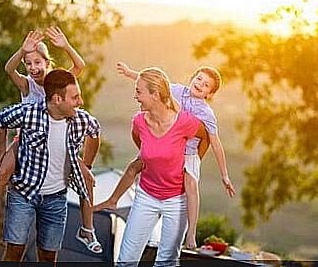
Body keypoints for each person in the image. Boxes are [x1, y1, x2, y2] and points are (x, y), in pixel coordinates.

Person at [0, 27, 102, 254]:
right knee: (2, 173)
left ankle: (87, 228)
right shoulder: (27, 84)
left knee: (87, 179)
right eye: (28, 64)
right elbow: (8, 69)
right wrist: (22, 51)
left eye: (37, 63)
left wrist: (66, 45)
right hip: (26, 139)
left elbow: (79, 68)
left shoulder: (56, 82)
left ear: (47, 62)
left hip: (59, 141)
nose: (33, 68)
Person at [95, 62, 236, 249]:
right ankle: (113, 200)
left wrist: (224, 175)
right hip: (165, 146)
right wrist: (131, 73)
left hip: (189, 153)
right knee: (134, 166)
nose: (200, 84)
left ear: (209, 94)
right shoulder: (176, 90)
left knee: (190, 183)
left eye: (206, 85)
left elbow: (215, 143)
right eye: (199, 78)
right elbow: (154, 83)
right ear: (192, 77)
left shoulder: (206, 113)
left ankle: (191, 234)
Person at [0, 68, 100, 262]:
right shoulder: (30, 113)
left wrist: (87, 164)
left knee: (48, 256)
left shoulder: (81, 120)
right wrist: (0, 155)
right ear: (57, 99)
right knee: (15, 252)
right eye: (75, 97)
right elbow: (1, 120)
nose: (80, 102)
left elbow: (95, 132)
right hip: (23, 193)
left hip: (56, 198)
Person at [114, 67, 208, 267]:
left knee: (166, 263)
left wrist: (192, 163)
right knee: (125, 261)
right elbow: (139, 142)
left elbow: (205, 137)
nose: (135, 96)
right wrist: (154, 157)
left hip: (177, 201)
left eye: (139, 92)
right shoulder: (139, 121)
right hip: (146, 196)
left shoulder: (184, 121)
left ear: (155, 95)